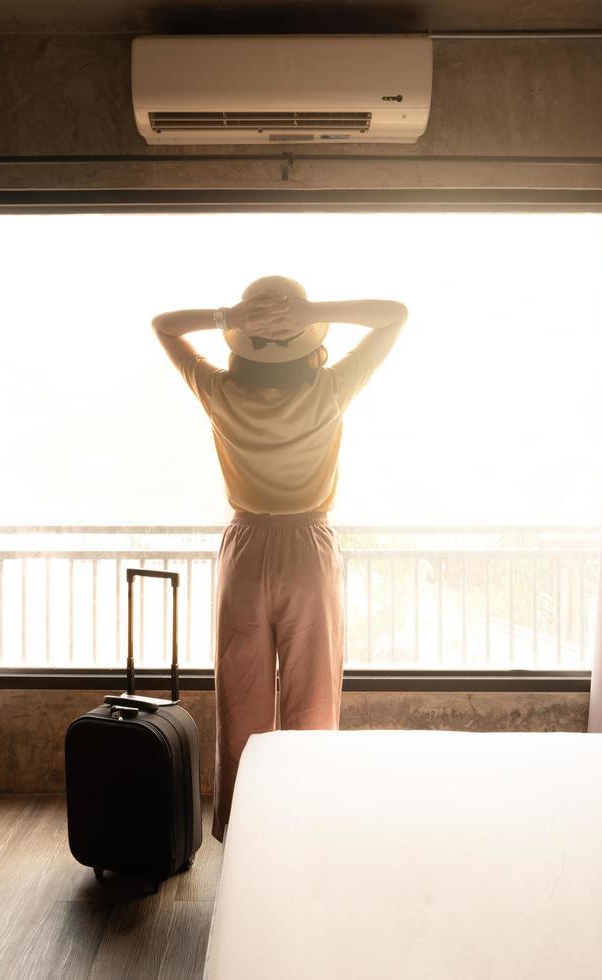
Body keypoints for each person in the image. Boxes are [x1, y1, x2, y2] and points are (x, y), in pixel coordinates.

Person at [152, 276, 407, 841]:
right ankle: (308, 829)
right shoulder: (330, 389)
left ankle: (245, 832)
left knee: (241, 700)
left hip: (245, 551)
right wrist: (310, 308)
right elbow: (394, 313)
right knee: (312, 697)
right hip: (308, 550)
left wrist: (231, 316)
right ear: (308, 340)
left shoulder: (220, 392)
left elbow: (164, 326)